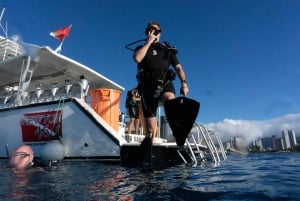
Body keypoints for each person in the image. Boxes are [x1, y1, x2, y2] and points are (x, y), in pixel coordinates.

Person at [133, 21, 189, 162]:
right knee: (151, 131)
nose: (152, 32)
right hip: (147, 87)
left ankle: (180, 135)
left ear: (160, 32)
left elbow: (179, 68)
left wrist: (184, 84)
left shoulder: (168, 50)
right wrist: (149, 42)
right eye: (150, 30)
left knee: (169, 98)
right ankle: (148, 156)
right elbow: (138, 58)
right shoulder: (141, 48)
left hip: (164, 82)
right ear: (146, 32)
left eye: (155, 31)